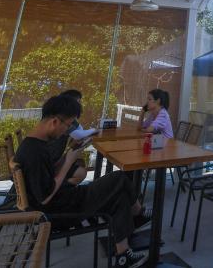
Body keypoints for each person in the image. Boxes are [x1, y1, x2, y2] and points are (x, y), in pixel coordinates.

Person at [15, 94, 150, 268]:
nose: (67, 131)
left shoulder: (34, 144)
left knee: (119, 195)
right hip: (57, 213)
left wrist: (67, 154)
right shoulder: (34, 152)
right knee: (119, 178)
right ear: (55, 121)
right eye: (68, 125)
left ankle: (123, 256)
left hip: (64, 201)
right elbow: (45, 198)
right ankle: (138, 213)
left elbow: (49, 174)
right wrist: (69, 162)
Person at [45, 88, 88, 186]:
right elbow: (80, 134)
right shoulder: (62, 121)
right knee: (81, 171)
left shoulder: (58, 120)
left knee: (80, 168)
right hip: (50, 166)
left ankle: (61, 189)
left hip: (53, 162)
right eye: (77, 103)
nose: (79, 106)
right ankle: (59, 189)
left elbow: (78, 134)